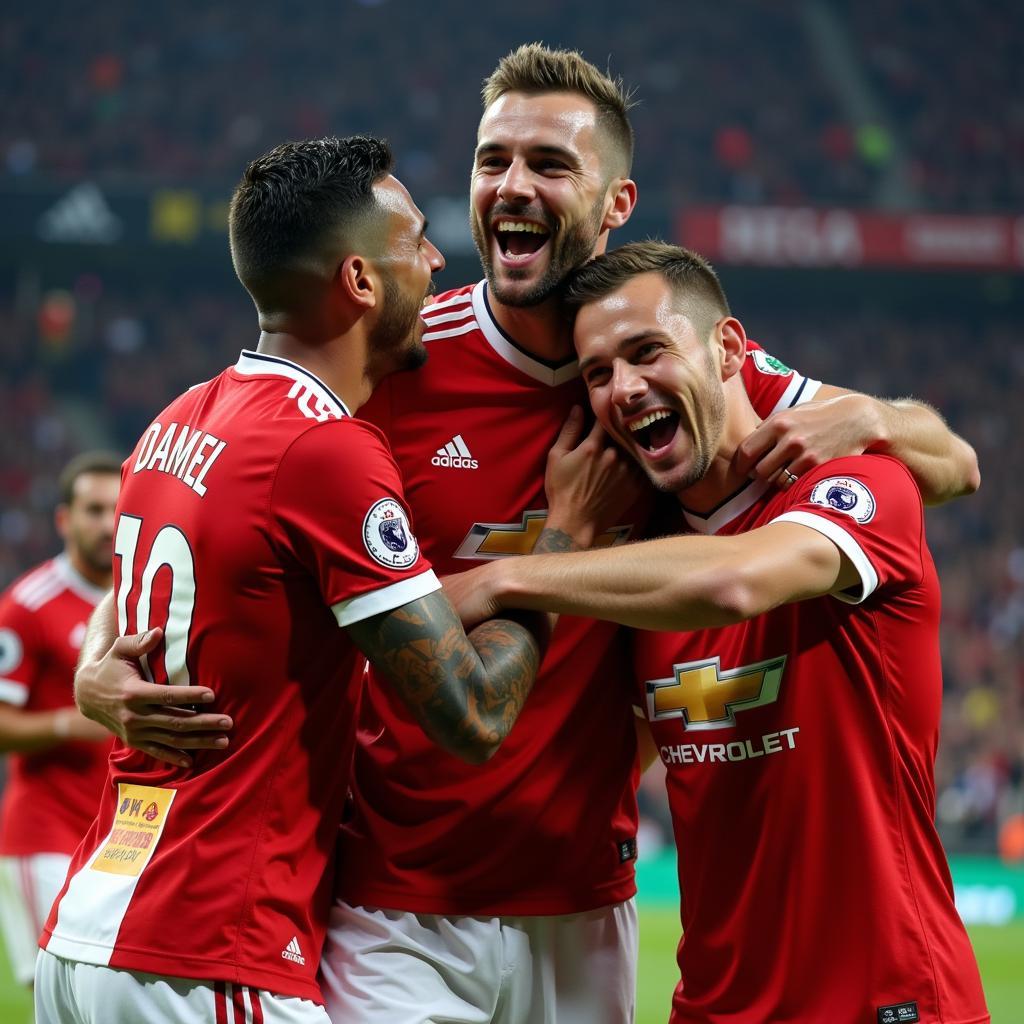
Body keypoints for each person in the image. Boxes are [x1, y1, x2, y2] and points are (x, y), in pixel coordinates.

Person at [76, 45, 981, 1024]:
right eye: (491, 159)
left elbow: (951, 464)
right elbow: (207, 497)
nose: (513, 185)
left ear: (615, 202)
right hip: (395, 905)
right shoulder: (398, 357)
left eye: (550, 164)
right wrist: (96, 663)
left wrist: (875, 417)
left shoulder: (675, 370)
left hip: (585, 902)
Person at [33, 136, 555, 1024]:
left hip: (91, 930)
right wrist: (556, 553)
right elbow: (472, 717)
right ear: (360, 282)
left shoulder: (174, 422)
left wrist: (92, 674)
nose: (436, 262)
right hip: (212, 948)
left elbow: (124, 609)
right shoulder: (324, 449)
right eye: (417, 242)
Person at [444, 241, 990, 1024]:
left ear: (728, 348)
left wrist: (501, 576)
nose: (626, 389)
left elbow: (736, 582)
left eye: (647, 352)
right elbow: (589, 756)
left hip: (883, 1000)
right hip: (711, 1008)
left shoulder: (859, 484)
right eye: (599, 373)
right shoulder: (640, 569)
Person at [0, 452, 119, 988]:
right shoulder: (27, 604)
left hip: (119, 832)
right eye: (93, 510)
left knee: (110, 990)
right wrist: (72, 723)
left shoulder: (143, 598)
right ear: (64, 520)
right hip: (45, 834)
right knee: (58, 987)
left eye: (118, 509)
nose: (108, 524)